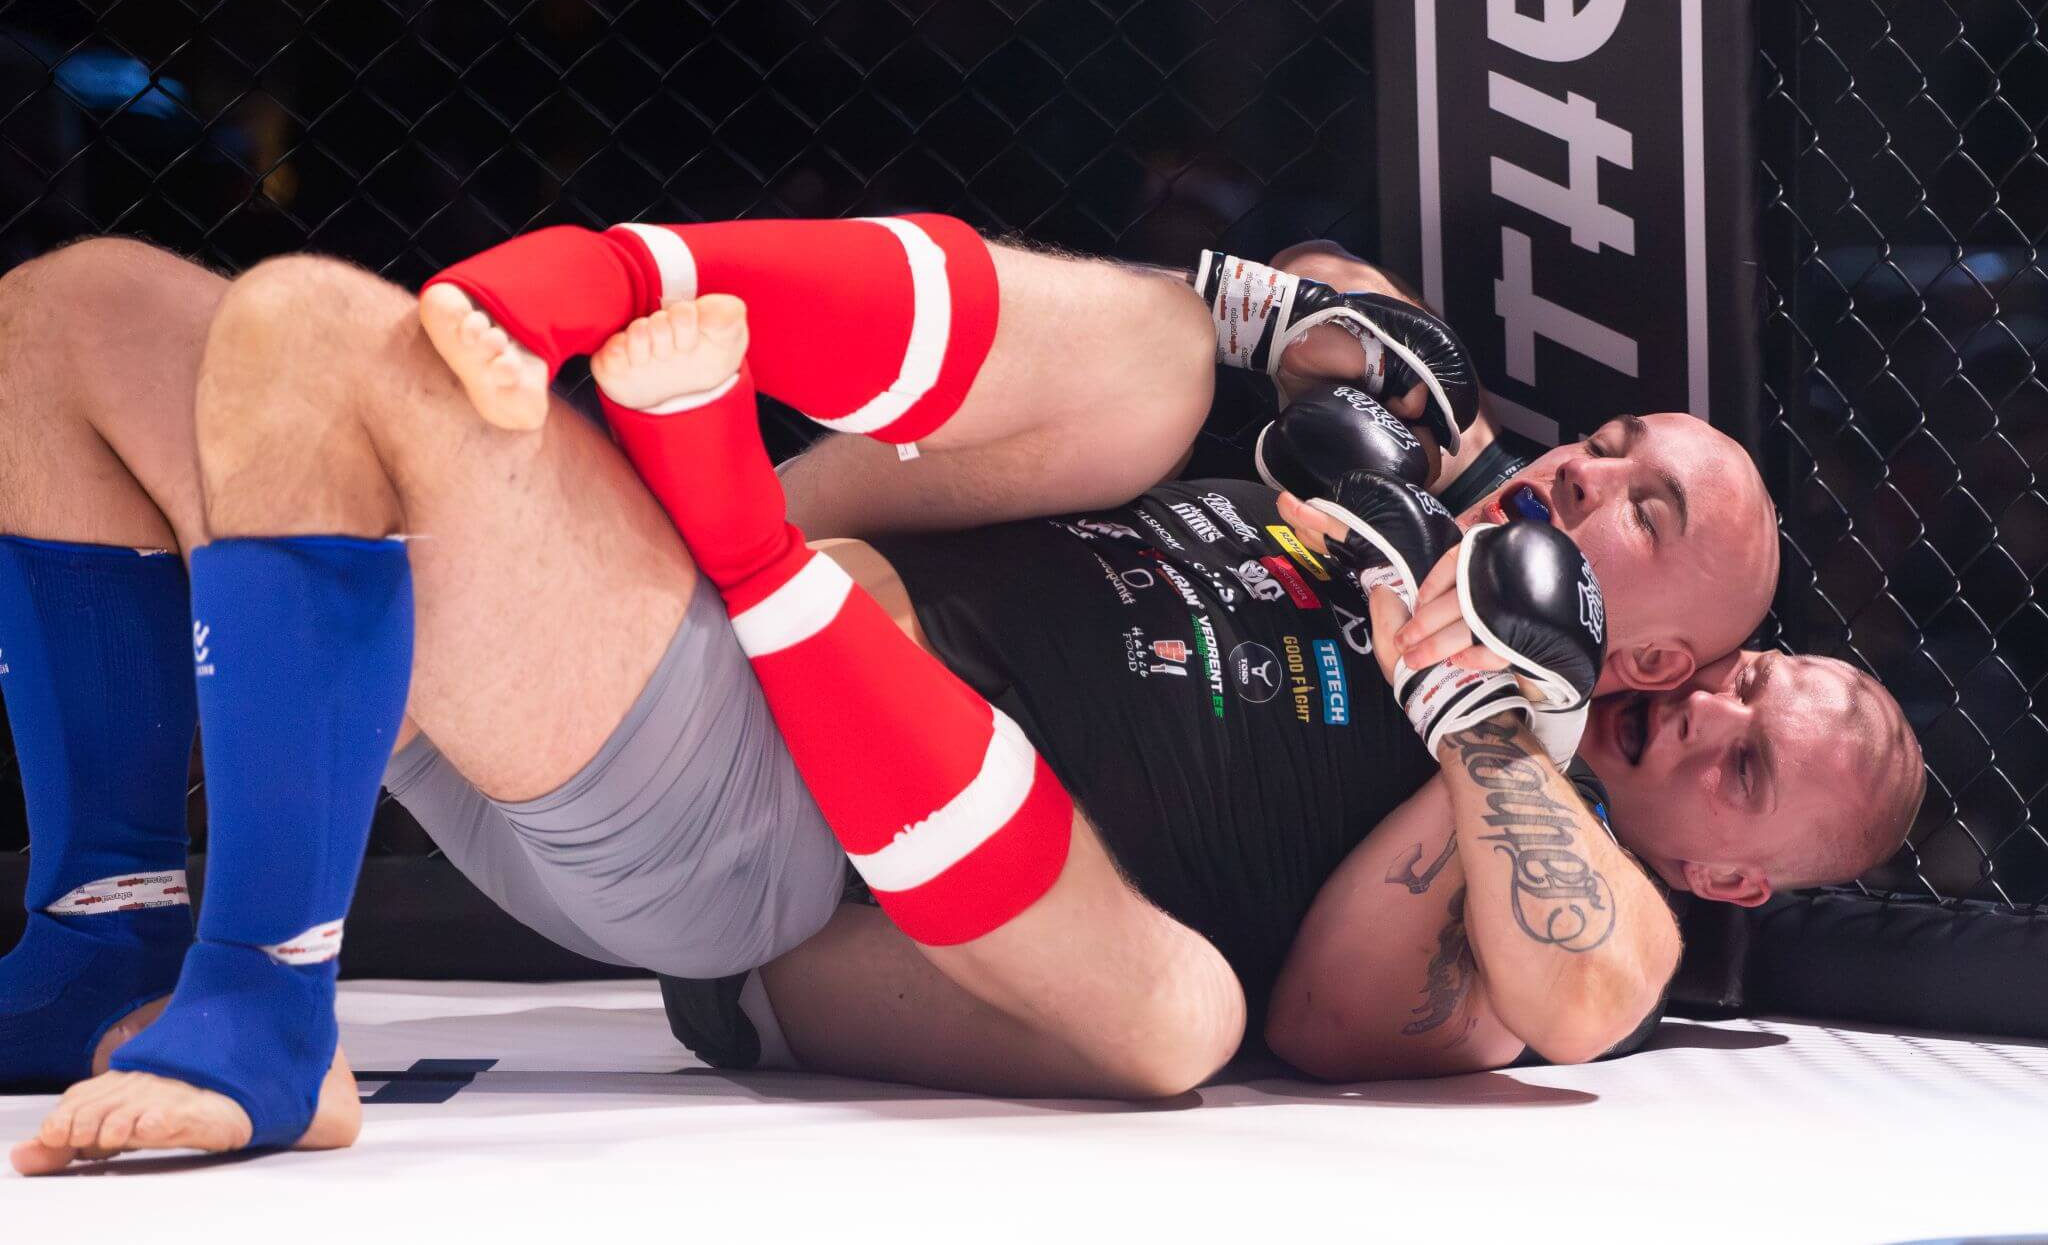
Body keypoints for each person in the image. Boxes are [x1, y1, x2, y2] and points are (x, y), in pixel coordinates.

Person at [0, 222, 1915, 1173]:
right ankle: (105, 931)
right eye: (1608, 443)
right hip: (645, 620)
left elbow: (1418, 1006)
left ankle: (267, 1009)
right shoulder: (1386, 472)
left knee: (317, 331)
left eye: (1643, 512)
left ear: (1649, 663)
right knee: (73, 315)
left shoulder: (1531, 823)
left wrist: (1493, 709)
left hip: (760, 804)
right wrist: (1319, 330)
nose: (1583, 475)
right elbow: (1320, 293)